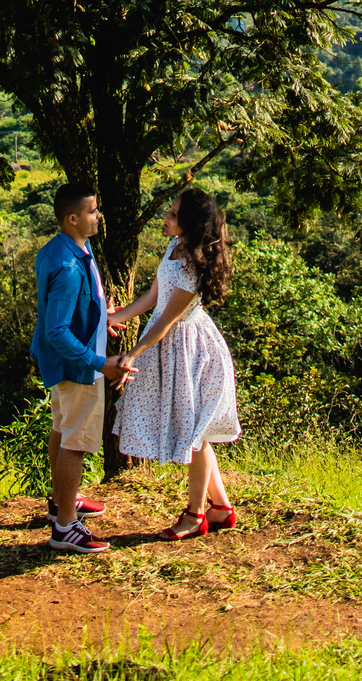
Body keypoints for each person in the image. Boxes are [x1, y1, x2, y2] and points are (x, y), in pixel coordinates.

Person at [109, 186, 241, 540]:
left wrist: (132, 354)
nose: (165, 217)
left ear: (189, 223)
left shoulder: (193, 264)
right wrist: (117, 316)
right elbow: (155, 296)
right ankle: (220, 508)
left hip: (191, 349)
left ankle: (195, 515)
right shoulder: (173, 247)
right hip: (169, 345)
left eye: (173, 214)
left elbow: (167, 320)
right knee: (194, 433)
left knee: (194, 436)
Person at [31, 181, 135, 555]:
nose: (98, 216)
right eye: (92, 211)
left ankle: (63, 502)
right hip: (77, 366)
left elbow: (70, 307)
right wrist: (99, 363)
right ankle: (65, 526)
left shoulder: (64, 247)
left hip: (64, 361)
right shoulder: (68, 266)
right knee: (75, 442)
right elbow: (56, 329)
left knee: (62, 430)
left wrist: (98, 318)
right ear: (72, 218)